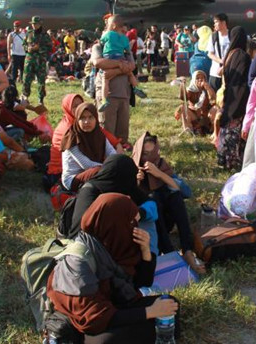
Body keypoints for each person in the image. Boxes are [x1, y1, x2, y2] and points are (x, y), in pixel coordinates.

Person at [47, 193, 179, 343]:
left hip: (115, 305)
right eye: (131, 221)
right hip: (87, 321)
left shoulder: (117, 242)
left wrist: (146, 251)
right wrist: (149, 312)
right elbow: (94, 318)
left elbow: (143, 282)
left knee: (170, 305)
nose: (135, 226)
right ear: (114, 223)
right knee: (108, 340)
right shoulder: (77, 261)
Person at [132, 132, 204, 274]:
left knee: (175, 195)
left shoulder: (160, 164)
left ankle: (187, 250)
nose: (148, 158)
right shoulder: (131, 167)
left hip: (167, 218)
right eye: (144, 154)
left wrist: (159, 174)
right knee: (153, 201)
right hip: (148, 223)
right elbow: (129, 200)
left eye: (152, 153)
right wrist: (136, 182)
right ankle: (169, 252)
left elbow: (184, 191)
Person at [61, 103, 117, 192]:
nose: (87, 122)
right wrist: (109, 168)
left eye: (90, 117)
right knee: (100, 171)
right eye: (82, 118)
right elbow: (87, 164)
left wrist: (117, 163)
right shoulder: (72, 138)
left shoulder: (99, 135)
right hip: (73, 179)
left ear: (96, 118)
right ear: (77, 120)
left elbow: (112, 153)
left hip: (96, 172)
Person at [216, 26, 251, 171]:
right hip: (239, 97)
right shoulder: (243, 56)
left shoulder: (230, 54)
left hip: (229, 95)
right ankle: (234, 162)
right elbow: (243, 80)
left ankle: (223, 159)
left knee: (228, 128)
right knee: (236, 129)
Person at [98, 15, 145, 112]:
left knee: (105, 79)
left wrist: (105, 34)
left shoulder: (109, 34)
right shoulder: (124, 38)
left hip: (109, 58)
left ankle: (104, 100)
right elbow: (127, 50)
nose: (107, 27)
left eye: (108, 25)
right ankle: (136, 87)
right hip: (121, 57)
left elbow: (101, 41)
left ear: (113, 26)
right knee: (130, 73)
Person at [92, 41, 135, 148]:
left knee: (123, 125)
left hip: (124, 92)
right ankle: (108, 148)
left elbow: (131, 66)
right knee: (107, 126)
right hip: (107, 94)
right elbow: (99, 63)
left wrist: (114, 71)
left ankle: (122, 145)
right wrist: (121, 65)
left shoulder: (124, 49)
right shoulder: (98, 47)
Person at [174, 70, 216, 135]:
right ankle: (188, 129)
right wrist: (182, 85)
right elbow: (183, 98)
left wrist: (208, 88)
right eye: (197, 78)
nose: (200, 80)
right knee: (182, 107)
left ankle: (208, 129)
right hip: (195, 116)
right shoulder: (191, 90)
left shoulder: (207, 89)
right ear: (194, 80)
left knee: (215, 108)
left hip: (206, 116)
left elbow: (213, 98)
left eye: (202, 78)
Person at [23, 16, 52, 105]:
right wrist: (27, 48)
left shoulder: (45, 35)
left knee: (41, 80)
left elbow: (49, 47)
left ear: (40, 24)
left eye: (35, 24)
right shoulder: (29, 33)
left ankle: (41, 99)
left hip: (40, 61)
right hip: (29, 60)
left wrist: (39, 49)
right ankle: (25, 97)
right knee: (26, 79)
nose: (34, 25)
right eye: (33, 24)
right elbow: (24, 44)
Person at [208, 13, 230, 91]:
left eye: (216, 22)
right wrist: (221, 61)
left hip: (229, 73)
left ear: (223, 22)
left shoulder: (232, 36)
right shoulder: (213, 36)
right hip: (215, 73)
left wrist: (226, 63)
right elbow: (210, 54)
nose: (214, 24)